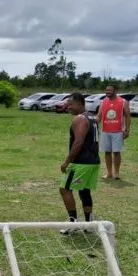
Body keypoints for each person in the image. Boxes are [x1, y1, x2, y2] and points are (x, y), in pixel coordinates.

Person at [59, 93, 101, 234]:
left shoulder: (80, 119)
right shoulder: (91, 117)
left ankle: (73, 223)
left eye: (70, 104)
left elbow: (78, 142)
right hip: (93, 161)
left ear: (80, 103)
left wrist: (67, 162)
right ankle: (88, 223)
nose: (68, 107)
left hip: (82, 162)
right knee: (84, 189)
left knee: (65, 189)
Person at [97, 84, 130, 180]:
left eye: (109, 90)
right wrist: (93, 124)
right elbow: (99, 116)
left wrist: (127, 130)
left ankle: (116, 173)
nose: (107, 92)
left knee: (116, 152)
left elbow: (128, 116)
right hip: (105, 131)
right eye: (106, 90)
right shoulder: (103, 102)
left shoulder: (123, 102)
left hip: (118, 131)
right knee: (107, 152)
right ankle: (109, 173)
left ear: (116, 91)